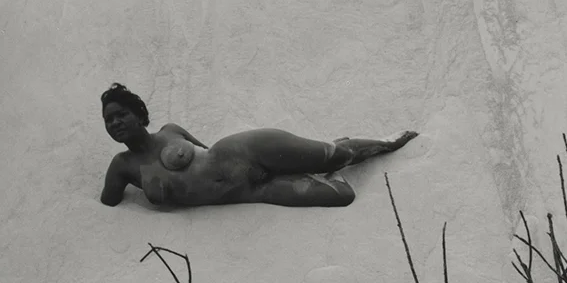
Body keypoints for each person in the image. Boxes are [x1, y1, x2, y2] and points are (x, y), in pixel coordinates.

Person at [96, 83, 415, 208]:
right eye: (109, 121)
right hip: (249, 193)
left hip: (246, 151)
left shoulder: (170, 131)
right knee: (343, 196)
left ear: (139, 115)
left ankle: (389, 141)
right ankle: (326, 161)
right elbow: (107, 206)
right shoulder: (122, 167)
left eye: (121, 115)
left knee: (334, 157)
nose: (115, 124)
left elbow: (206, 155)